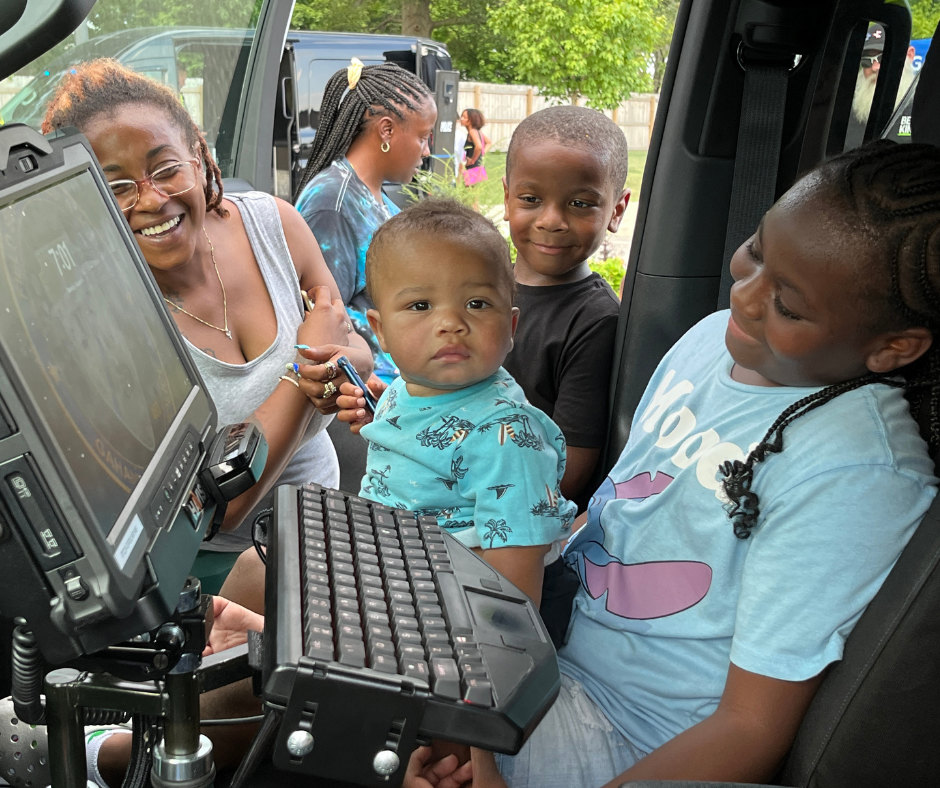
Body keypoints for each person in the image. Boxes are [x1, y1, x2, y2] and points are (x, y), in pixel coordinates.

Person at [407, 141, 940, 788]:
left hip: (631, 736)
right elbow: (616, 514)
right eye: (758, 251)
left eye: (789, 306)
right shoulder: (706, 341)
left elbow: (749, 730)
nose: (746, 295)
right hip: (545, 652)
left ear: (893, 347)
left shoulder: (858, 474)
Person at [41, 59, 374, 593]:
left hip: (325, 525)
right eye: (117, 185)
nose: (150, 198)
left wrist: (337, 366)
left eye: (166, 168)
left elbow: (351, 345)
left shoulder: (274, 224)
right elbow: (220, 508)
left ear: (198, 158)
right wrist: (300, 374)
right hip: (221, 577)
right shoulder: (106, 323)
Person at [338, 198, 577, 604]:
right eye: (420, 306)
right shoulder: (403, 390)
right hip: (397, 571)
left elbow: (515, 602)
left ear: (511, 325)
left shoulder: (508, 439)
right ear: (381, 332)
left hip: (463, 611)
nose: (451, 323)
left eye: (477, 304)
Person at [502, 105, 629, 506]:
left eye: (579, 204)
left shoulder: (596, 320)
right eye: (531, 198)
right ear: (507, 197)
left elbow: (569, 469)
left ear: (616, 210)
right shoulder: (482, 286)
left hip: (511, 517)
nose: (551, 220)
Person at [294, 60, 437, 385]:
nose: (427, 151)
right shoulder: (333, 203)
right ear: (386, 130)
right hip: (366, 399)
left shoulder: (371, 193)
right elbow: (324, 327)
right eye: (423, 137)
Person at [846, 22, 917, 149]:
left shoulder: (925, 107)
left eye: (884, 57)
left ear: (910, 55)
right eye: (867, 60)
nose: (875, 67)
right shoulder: (847, 110)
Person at [459, 108, 490, 186]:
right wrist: (481, 154)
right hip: (478, 167)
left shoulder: (472, 132)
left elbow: (479, 146)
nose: (461, 119)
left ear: (472, 120)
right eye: (461, 116)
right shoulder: (478, 132)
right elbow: (489, 142)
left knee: (471, 195)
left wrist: (473, 160)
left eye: (465, 117)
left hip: (473, 168)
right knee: (473, 194)